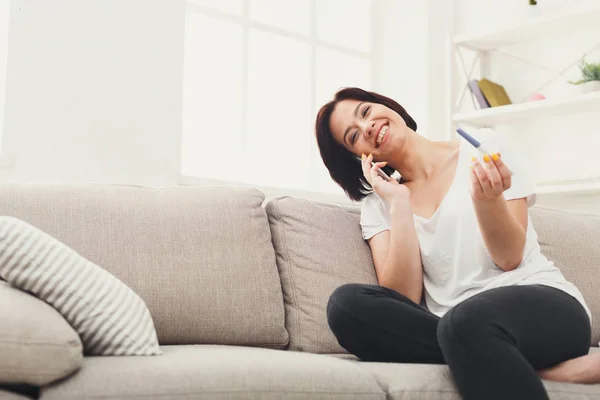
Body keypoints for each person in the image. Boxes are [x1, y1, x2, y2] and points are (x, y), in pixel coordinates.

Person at [314, 87, 600, 400]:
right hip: (458, 328)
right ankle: (533, 369)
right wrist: (399, 203)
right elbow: (404, 298)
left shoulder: (484, 146)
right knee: (345, 306)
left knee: (463, 322)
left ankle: (481, 349)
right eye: (353, 136)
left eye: (366, 112)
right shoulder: (379, 205)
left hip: (545, 305)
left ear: (387, 107)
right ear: (359, 158)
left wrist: (486, 201)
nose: (366, 127)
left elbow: (510, 258)